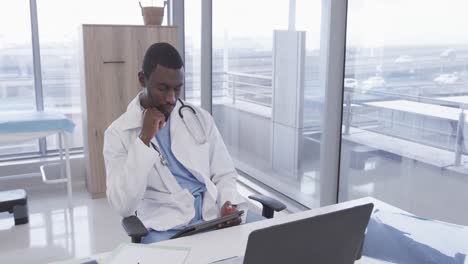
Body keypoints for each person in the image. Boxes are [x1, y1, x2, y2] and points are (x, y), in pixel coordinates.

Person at [103, 42, 260, 244]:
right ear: (143, 79)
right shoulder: (118, 133)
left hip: (212, 214)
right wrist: (144, 140)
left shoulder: (199, 118)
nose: (171, 98)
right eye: (163, 88)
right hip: (166, 225)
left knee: (272, 242)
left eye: (177, 89)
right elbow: (122, 205)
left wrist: (227, 203)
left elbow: (224, 173)